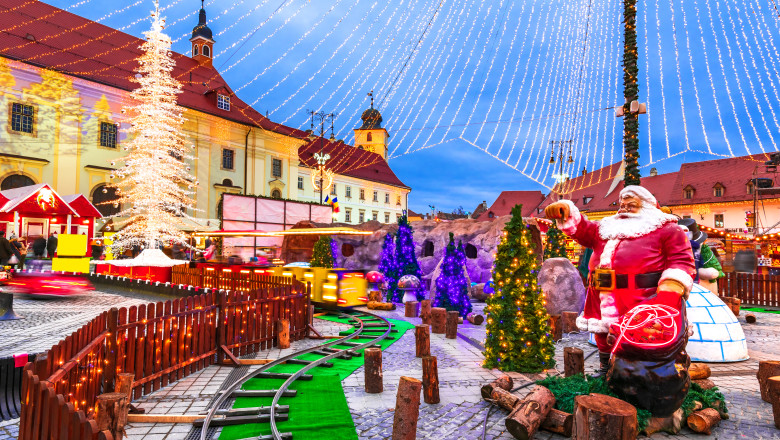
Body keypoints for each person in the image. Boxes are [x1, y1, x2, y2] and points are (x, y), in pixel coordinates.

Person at [545, 185, 696, 416]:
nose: (624, 208)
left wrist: (670, 289)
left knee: (635, 338)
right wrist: (568, 211)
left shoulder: (667, 229)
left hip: (640, 297)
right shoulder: (607, 227)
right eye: (622, 204)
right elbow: (584, 230)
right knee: (603, 333)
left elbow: (681, 261)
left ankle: (641, 383)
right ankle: (606, 369)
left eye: (631, 204)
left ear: (647, 205)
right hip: (602, 293)